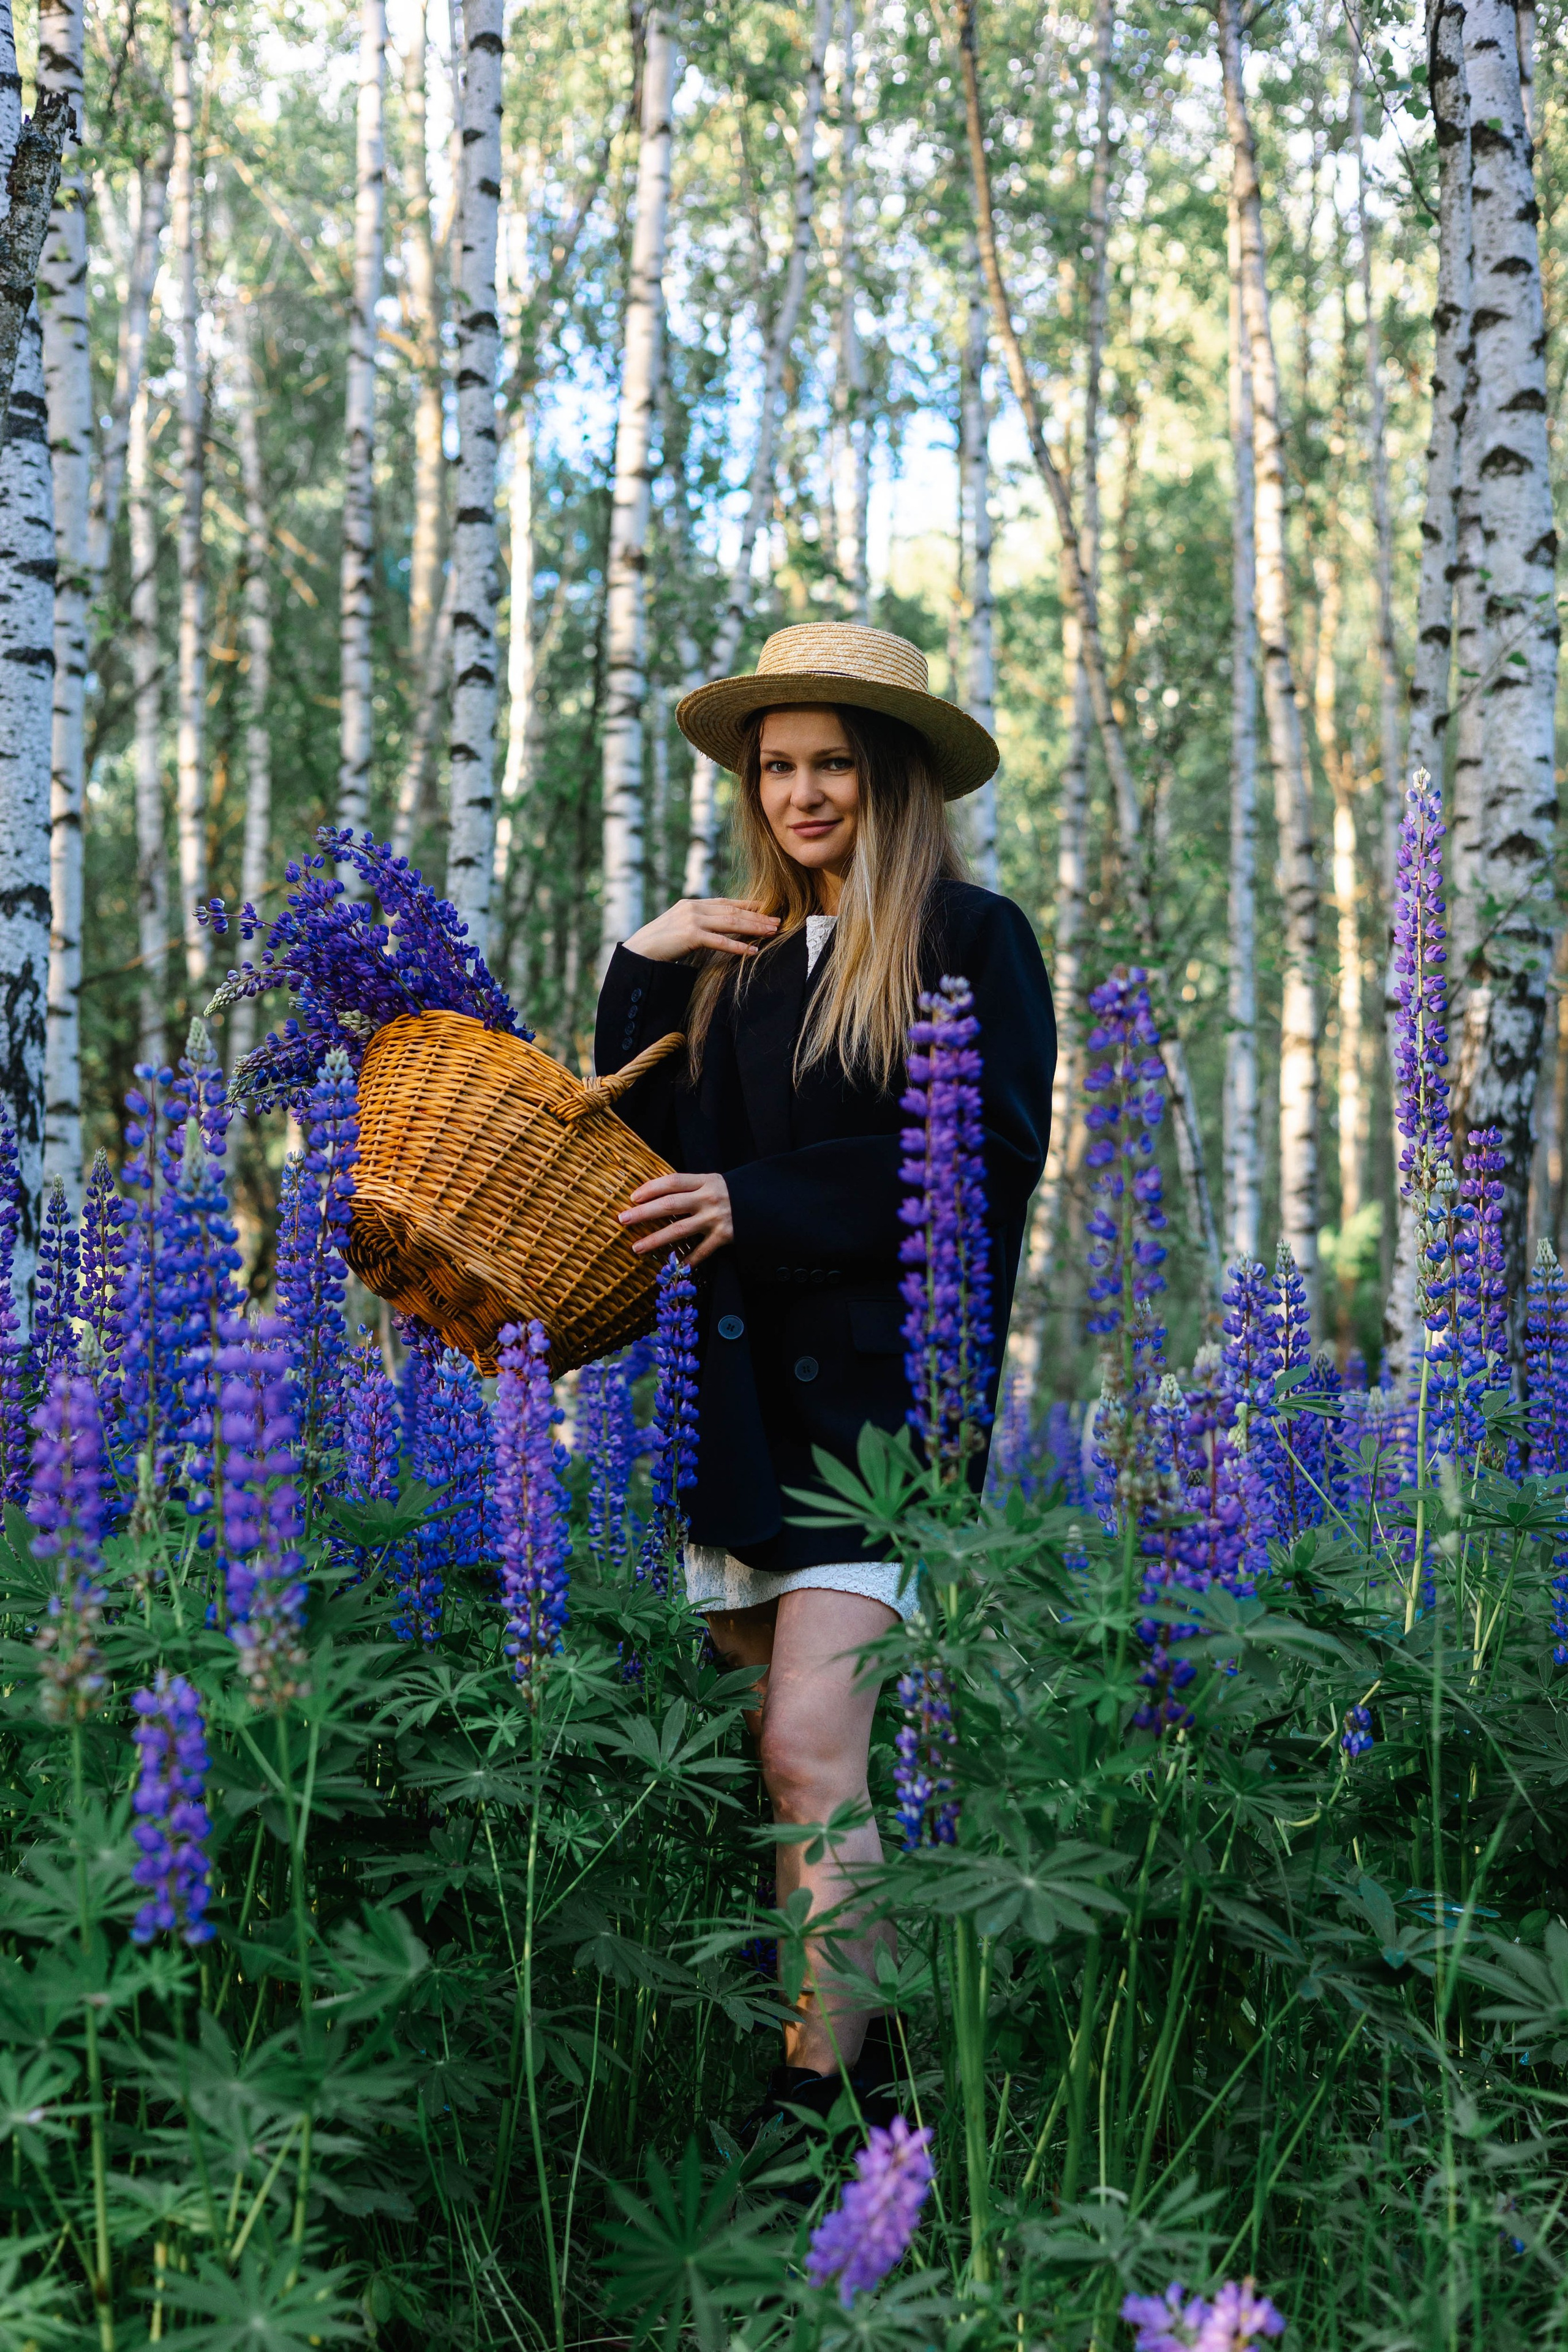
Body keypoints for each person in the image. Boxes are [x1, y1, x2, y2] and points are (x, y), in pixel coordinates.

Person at [594, 620, 1055, 2128]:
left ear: (892, 777)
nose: (800, 795)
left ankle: (814, 2099)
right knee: (790, 1771)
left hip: (881, 1416)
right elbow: (642, 1158)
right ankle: (867, 2056)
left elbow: (986, 1162)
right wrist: (642, 965)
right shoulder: (737, 965)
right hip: (739, 1413)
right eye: (775, 767)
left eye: (833, 765)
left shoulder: (966, 938)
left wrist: (760, 1204)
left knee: (809, 1750)